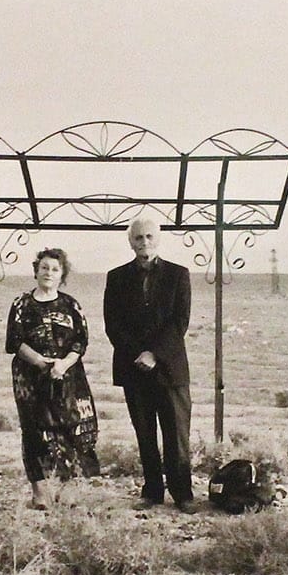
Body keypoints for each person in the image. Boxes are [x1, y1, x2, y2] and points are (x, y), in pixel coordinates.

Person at [103, 215, 195, 510]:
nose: (144, 242)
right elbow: (113, 324)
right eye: (138, 238)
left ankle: (183, 495)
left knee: (176, 435)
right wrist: (138, 355)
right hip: (134, 370)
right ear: (130, 242)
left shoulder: (179, 275)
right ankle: (152, 492)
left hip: (170, 369)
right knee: (145, 434)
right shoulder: (115, 277)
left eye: (149, 237)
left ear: (159, 238)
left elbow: (179, 322)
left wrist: (154, 354)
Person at [5, 247, 100, 509]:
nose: (49, 273)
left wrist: (63, 364)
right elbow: (14, 341)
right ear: (36, 271)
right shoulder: (21, 304)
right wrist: (41, 362)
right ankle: (40, 492)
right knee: (33, 431)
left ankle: (68, 487)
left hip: (68, 376)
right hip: (30, 378)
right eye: (44, 267)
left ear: (62, 275)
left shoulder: (71, 305)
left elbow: (81, 341)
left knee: (71, 427)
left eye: (55, 269)